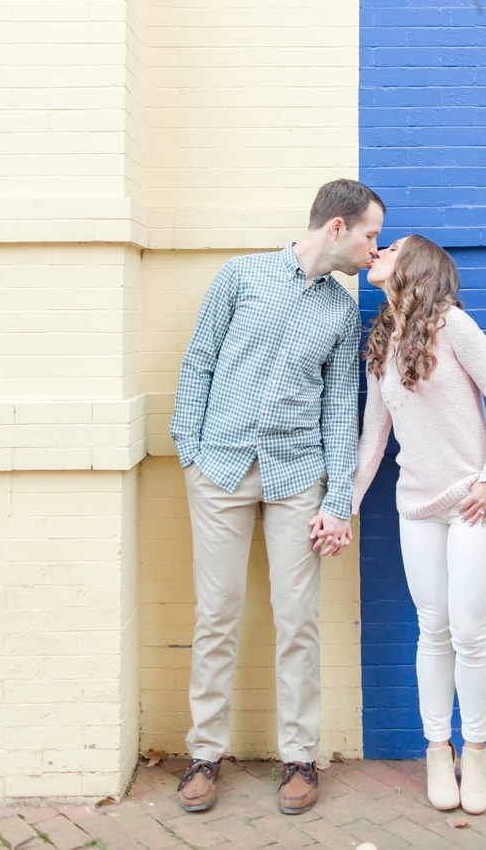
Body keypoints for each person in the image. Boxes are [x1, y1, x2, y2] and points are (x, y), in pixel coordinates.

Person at [170, 178, 384, 815]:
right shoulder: (241, 278)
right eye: (371, 234)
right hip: (220, 468)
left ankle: (300, 758)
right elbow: (198, 363)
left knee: (298, 621)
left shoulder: (343, 312)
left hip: (299, 480)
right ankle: (205, 753)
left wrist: (337, 501)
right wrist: (191, 452)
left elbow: (338, 412)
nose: (376, 248)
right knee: (217, 615)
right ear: (338, 227)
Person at [350, 235, 486, 814]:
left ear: (417, 265)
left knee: (471, 630)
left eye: (389, 247)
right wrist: (343, 506)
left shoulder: (452, 326)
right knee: (433, 628)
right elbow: (374, 436)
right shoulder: (382, 341)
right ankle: (436, 748)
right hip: (415, 507)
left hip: (474, 502)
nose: (378, 252)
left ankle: (476, 752)